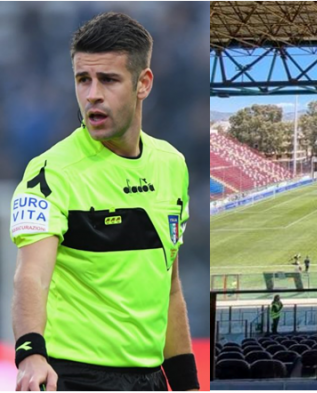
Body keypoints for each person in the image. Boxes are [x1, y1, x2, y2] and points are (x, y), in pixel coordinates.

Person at [9, 13, 198, 391]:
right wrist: (31, 354)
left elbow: (171, 288)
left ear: (143, 83)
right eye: (83, 79)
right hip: (76, 377)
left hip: (151, 379)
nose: (92, 94)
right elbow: (31, 275)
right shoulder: (49, 172)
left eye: (108, 79)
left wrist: (187, 383)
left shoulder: (172, 165)